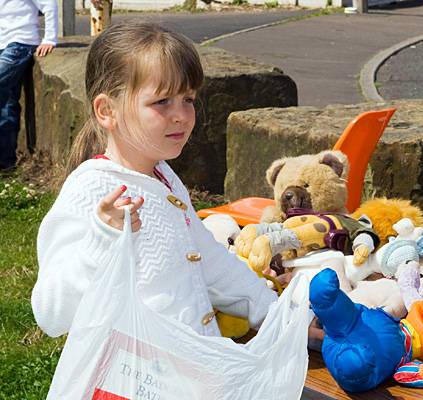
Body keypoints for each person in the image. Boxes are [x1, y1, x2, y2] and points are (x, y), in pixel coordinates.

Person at [31, 22, 278, 338]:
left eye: (188, 99)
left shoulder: (164, 176)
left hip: (192, 378)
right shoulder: (90, 189)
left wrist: (276, 314)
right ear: (107, 110)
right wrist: (102, 239)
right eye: (162, 102)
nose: (181, 115)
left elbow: (210, 263)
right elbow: (51, 314)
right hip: (131, 384)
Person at [0, 0, 57, 171]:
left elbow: (49, 4)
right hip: (3, 44)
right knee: (6, 104)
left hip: (20, 43)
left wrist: (50, 38)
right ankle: (6, 164)